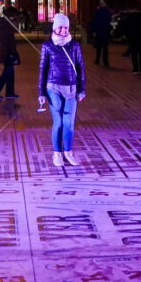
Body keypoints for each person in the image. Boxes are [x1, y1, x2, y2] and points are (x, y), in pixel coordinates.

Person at [38, 13, 87, 167]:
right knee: (58, 122)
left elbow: (80, 67)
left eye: (66, 27)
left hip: (72, 88)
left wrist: (82, 89)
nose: (64, 30)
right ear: (55, 28)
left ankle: (68, 152)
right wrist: (41, 92)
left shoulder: (74, 45)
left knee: (69, 123)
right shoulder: (47, 46)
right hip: (53, 87)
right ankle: (57, 153)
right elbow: (43, 69)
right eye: (61, 27)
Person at [0, 9, 20, 98]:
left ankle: (9, 92)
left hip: (6, 52)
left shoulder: (5, 24)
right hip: (8, 53)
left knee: (10, 73)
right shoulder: (6, 25)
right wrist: (13, 52)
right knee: (7, 73)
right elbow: (9, 41)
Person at [89, 0, 112, 68]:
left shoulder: (101, 12)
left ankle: (101, 60)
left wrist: (94, 31)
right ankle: (102, 60)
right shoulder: (104, 12)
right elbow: (95, 21)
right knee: (102, 47)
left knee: (102, 47)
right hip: (102, 31)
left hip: (102, 31)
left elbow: (95, 21)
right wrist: (94, 31)